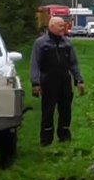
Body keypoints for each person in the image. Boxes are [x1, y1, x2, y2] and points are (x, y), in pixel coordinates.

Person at [31, 16, 86, 146]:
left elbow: (73, 64)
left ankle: (64, 136)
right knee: (48, 110)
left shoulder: (67, 43)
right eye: (61, 26)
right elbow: (35, 64)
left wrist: (79, 80)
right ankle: (46, 140)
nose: (63, 28)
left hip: (64, 80)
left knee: (66, 109)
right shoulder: (41, 43)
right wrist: (35, 83)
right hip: (48, 80)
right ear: (52, 27)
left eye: (64, 25)